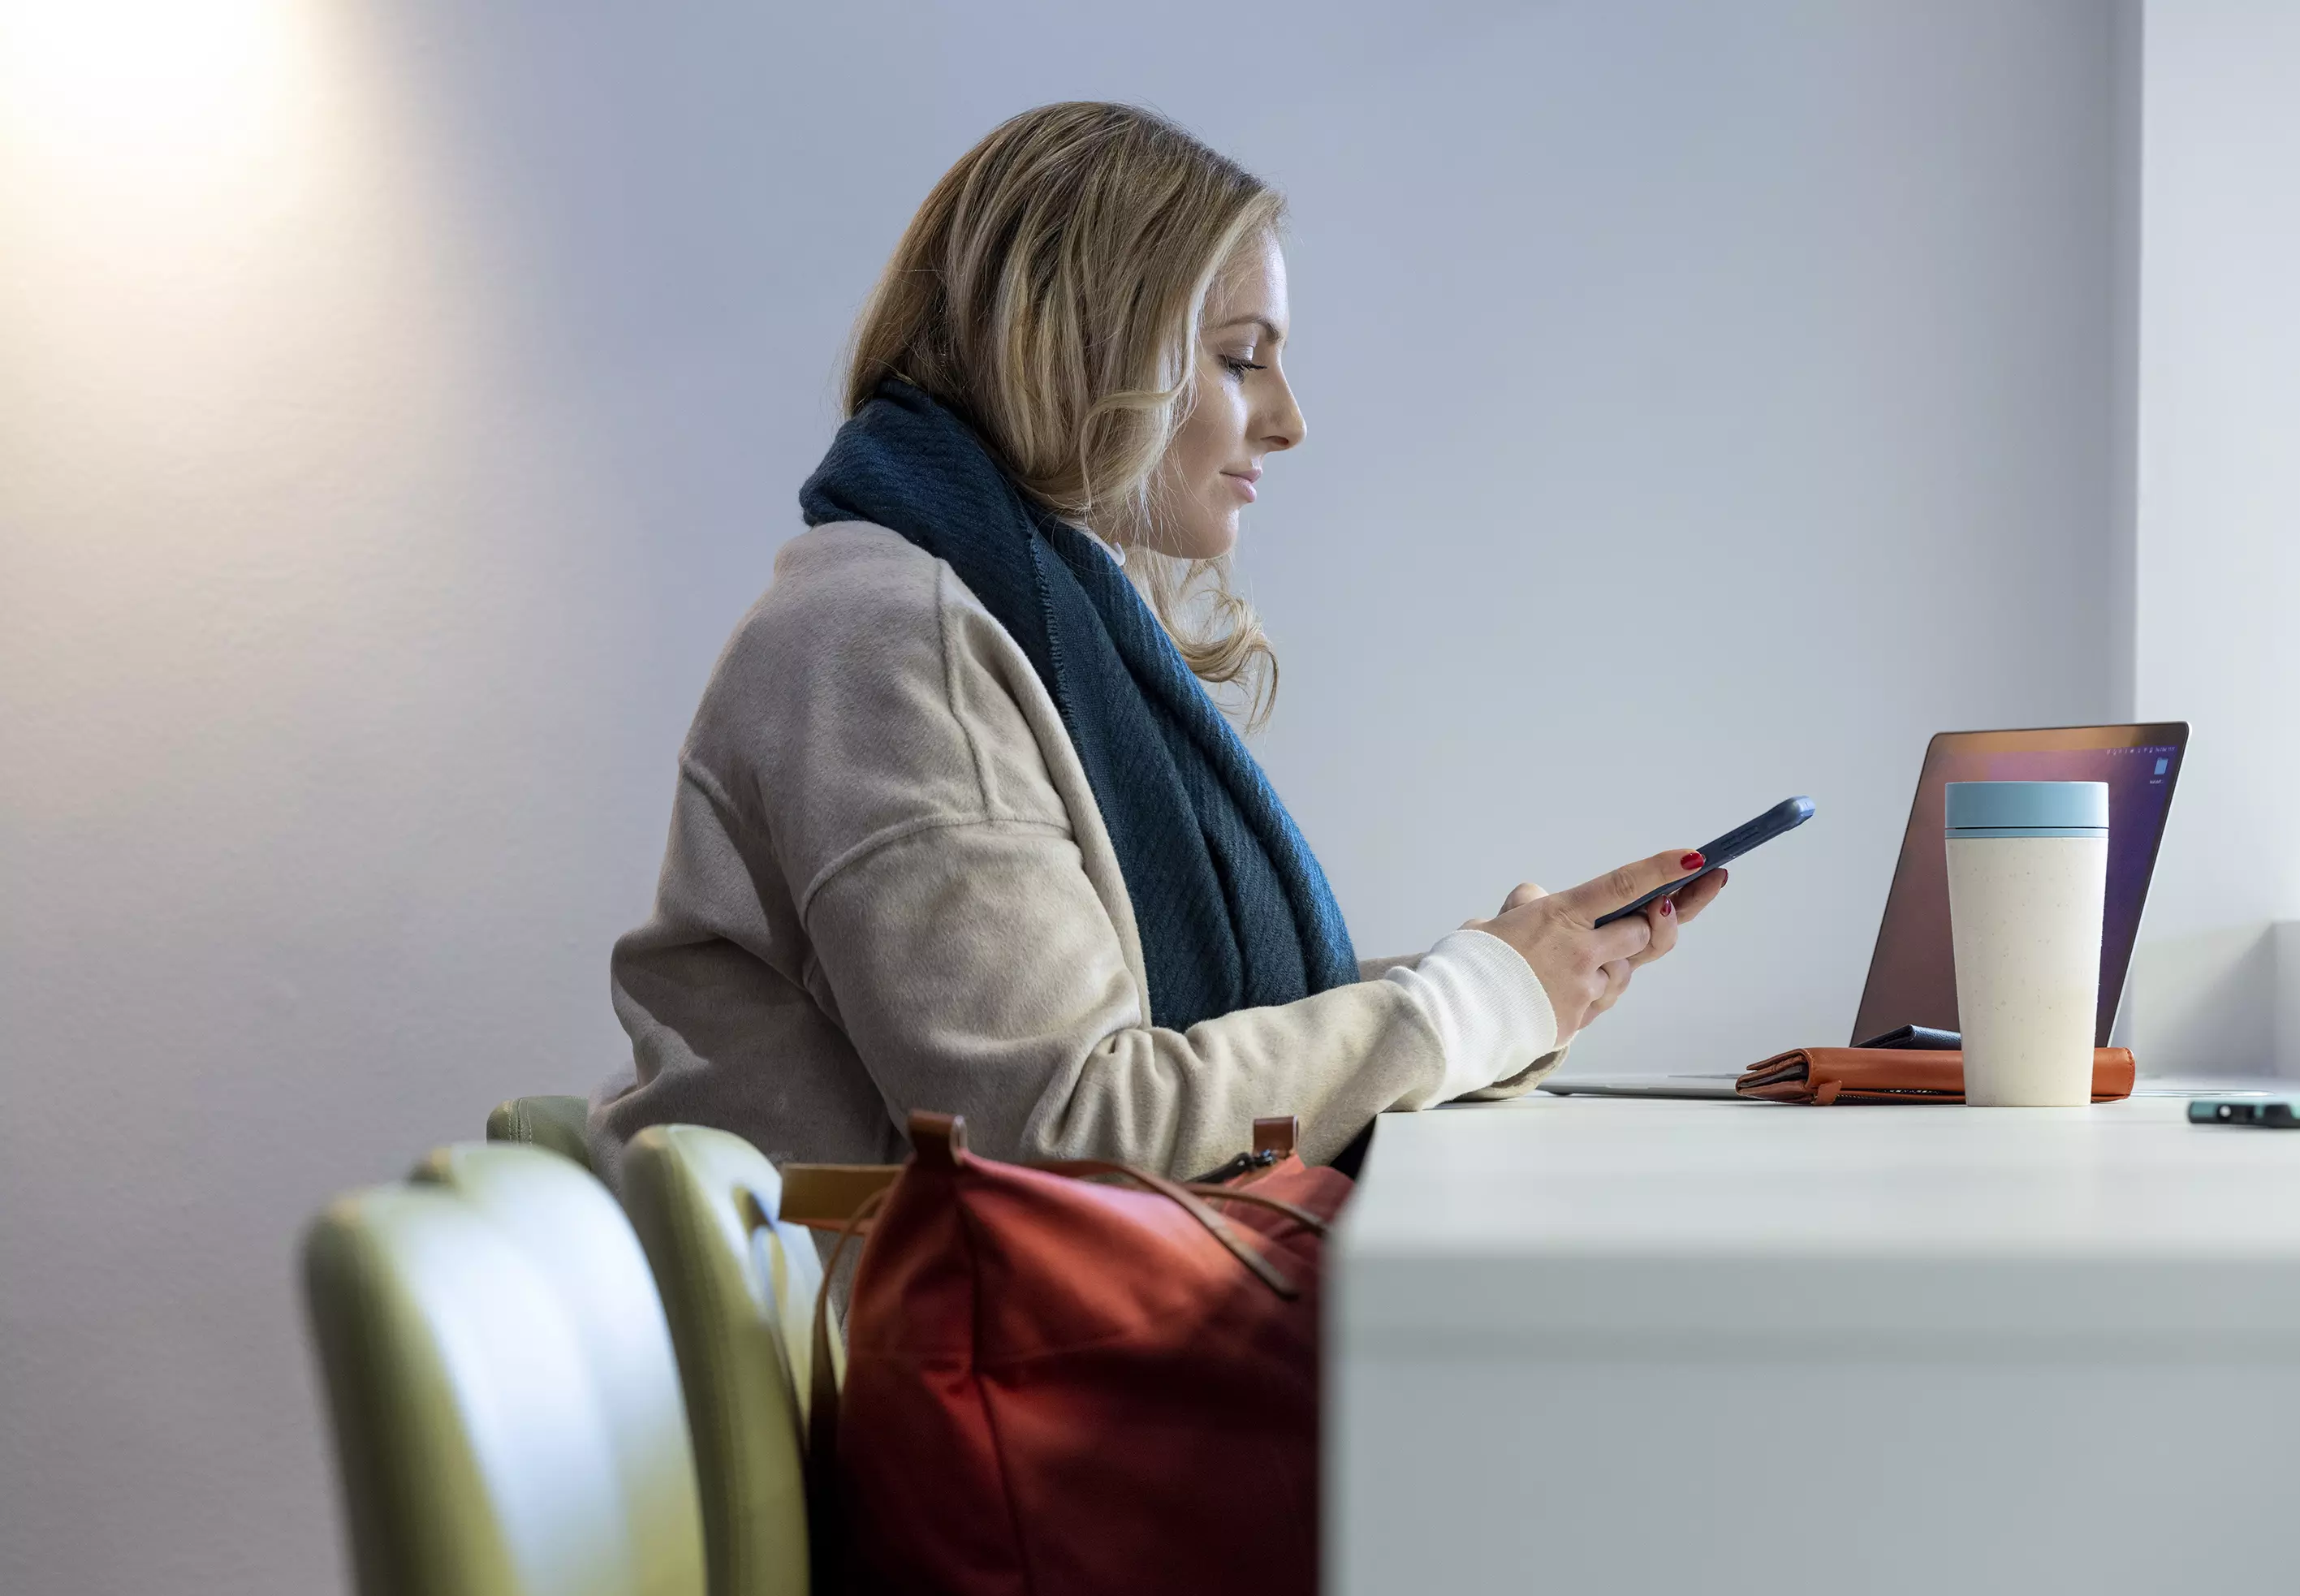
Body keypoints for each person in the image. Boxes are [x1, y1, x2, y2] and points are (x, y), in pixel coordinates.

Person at [593, 101, 1726, 1183]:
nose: (1289, 419)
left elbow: (1134, 1056)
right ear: (1090, 349)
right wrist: (1469, 1003)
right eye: (1241, 358)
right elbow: (1062, 1126)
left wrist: (1510, 983)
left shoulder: (1013, 607)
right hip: (910, 1349)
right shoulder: (894, 641)